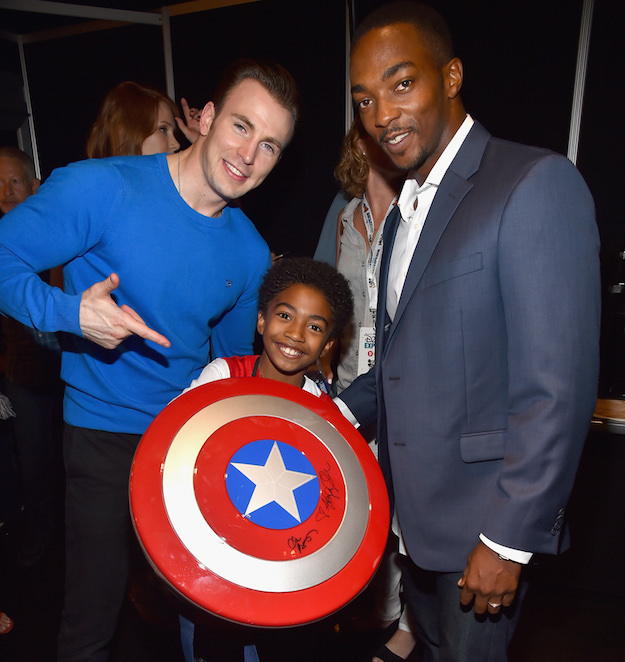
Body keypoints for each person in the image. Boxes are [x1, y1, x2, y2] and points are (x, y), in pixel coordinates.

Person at [0, 58, 299, 662]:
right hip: (103, 436)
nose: (248, 155)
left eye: (269, 146)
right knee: (93, 616)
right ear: (206, 118)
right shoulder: (101, 186)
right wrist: (67, 313)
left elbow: (231, 367)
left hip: (187, 441)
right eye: (241, 126)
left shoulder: (247, 249)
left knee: (212, 606)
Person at [337, 3, 600, 661]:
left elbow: (556, 387)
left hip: (481, 528)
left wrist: (508, 541)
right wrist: (329, 412)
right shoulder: (401, 211)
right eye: (364, 98)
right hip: (413, 523)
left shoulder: (533, 182)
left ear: (450, 76)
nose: (381, 115)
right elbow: (401, 360)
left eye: (401, 84)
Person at [181, 255, 354, 662]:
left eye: (313, 327)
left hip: (282, 572)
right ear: (261, 321)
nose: (295, 334)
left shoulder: (323, 414)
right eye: (284, 316)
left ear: (327, 345)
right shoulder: (222, 376)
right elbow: (175, 451)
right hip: (215, 561)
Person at [314, 118, 415, 662]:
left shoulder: (421, 212)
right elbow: (326, 298)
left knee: (405, 514)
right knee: (355, 506)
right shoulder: (345, 213)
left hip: (404, 390)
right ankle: (363, 609)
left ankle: (407, 625)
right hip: (348, 387)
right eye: (369, 128)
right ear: (356, 140)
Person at [0, 146, 64, 567]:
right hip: (21, 376)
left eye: (14, 181)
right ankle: (43, 544)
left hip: (74, 375)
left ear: (35, 186)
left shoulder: (65, 237)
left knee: (75, 466)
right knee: (35, 465)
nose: (5, 192)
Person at [86, 80, 182, 157]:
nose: (176, 144)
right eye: (163, 129)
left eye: (173, 133)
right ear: (129, 130)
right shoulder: (88, 179)